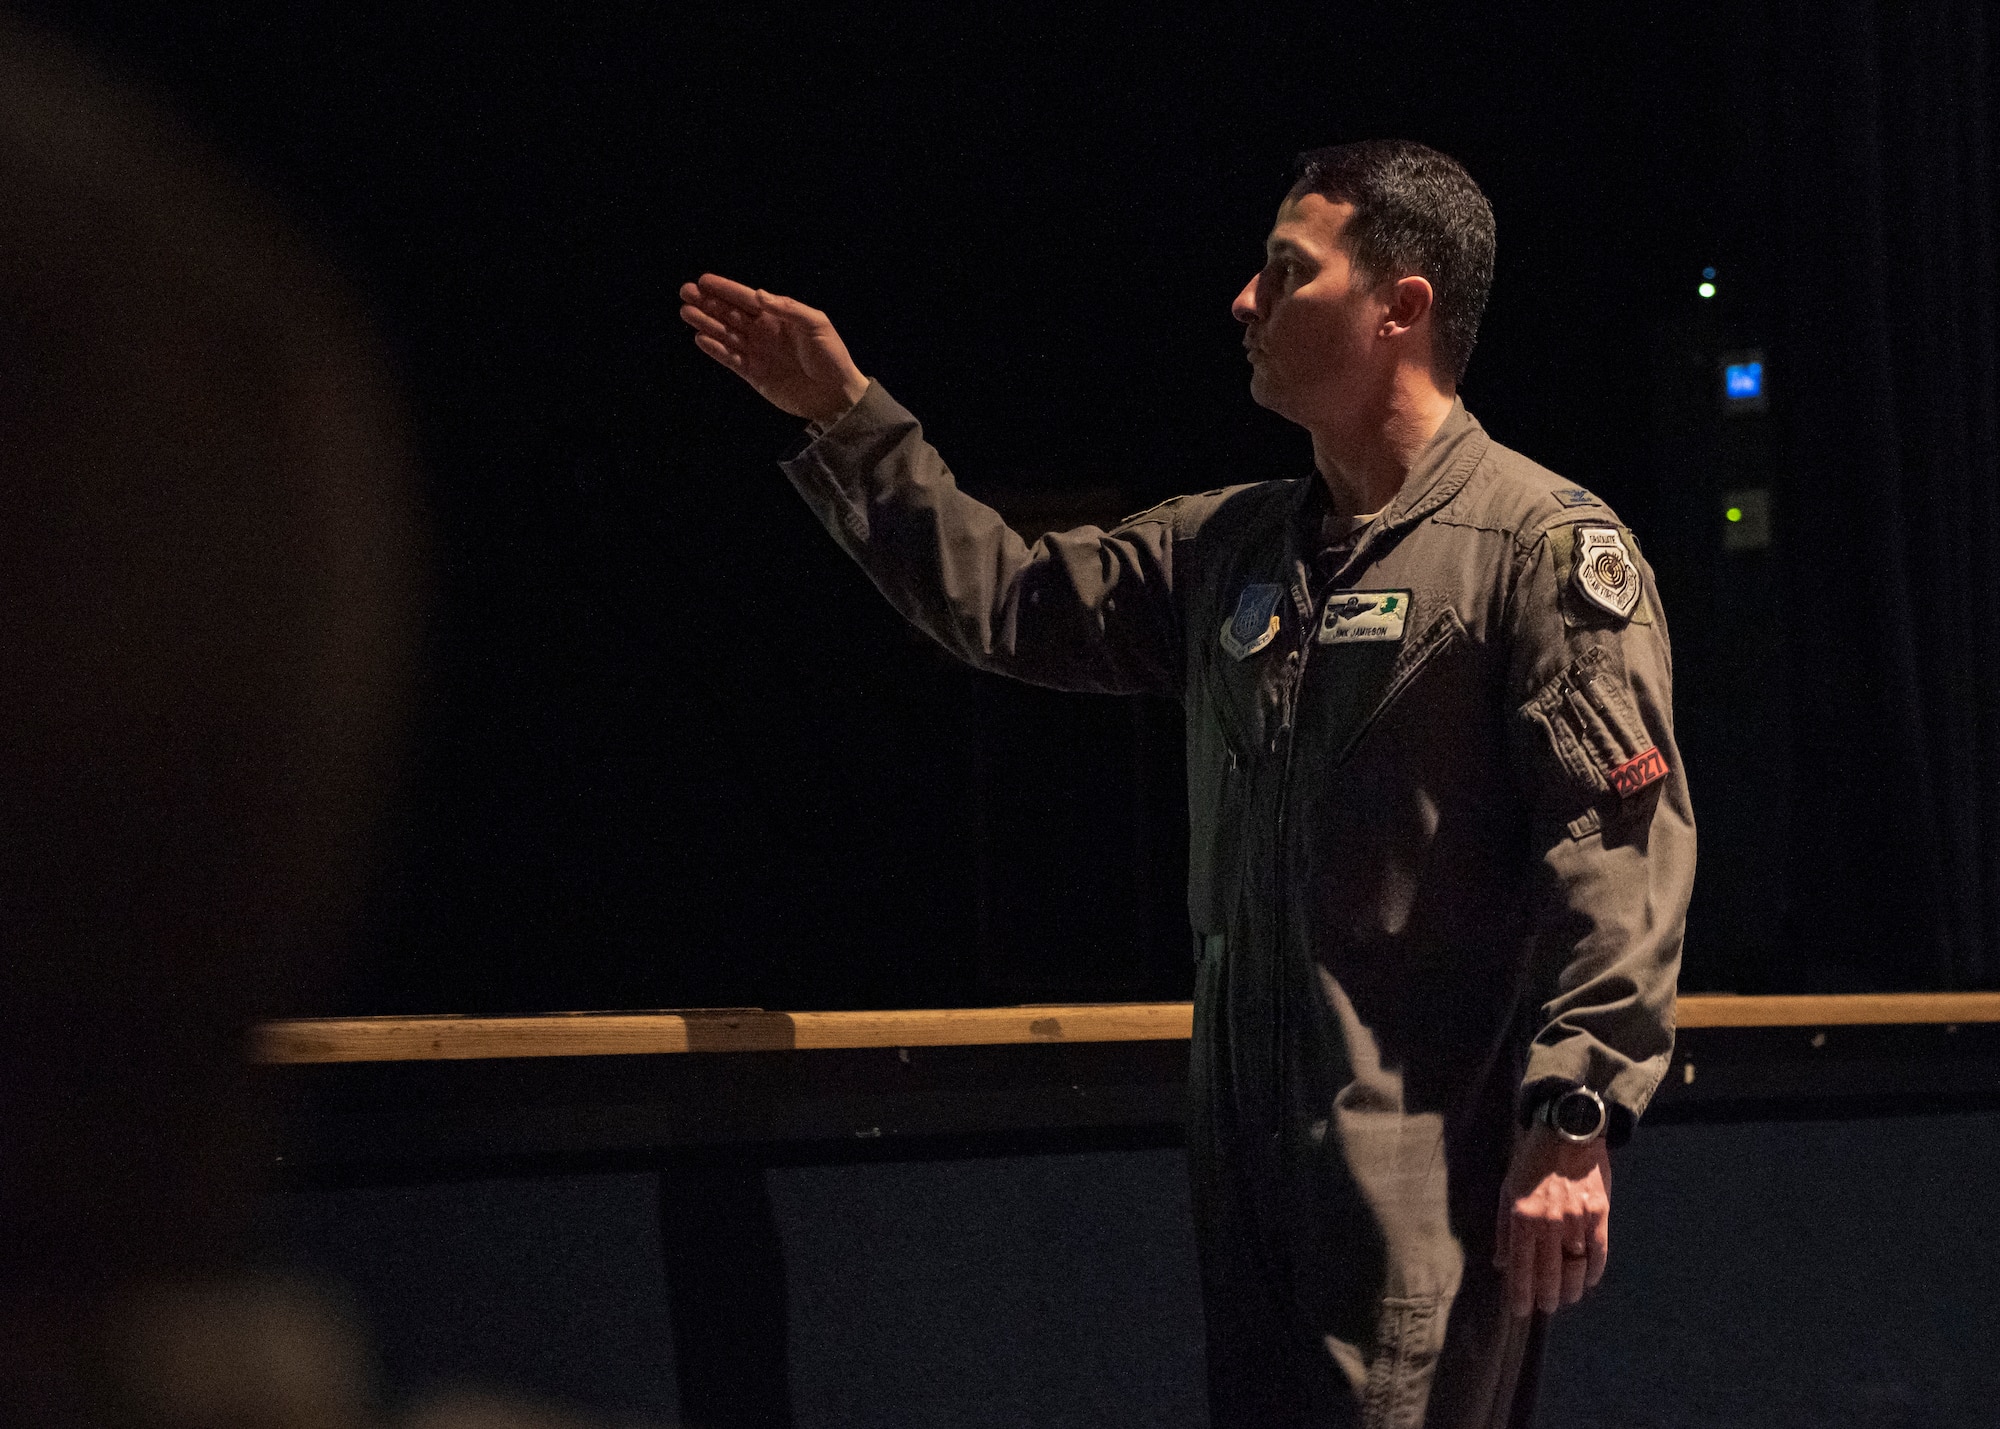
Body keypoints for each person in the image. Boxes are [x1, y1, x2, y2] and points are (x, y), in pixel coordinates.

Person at [680, 138, 1694, 1428]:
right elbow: (1010, 602)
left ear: (1403, 303)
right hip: (1252, 1178)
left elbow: (1616, 855)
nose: (1245, 300)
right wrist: (847, 421)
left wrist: (1576, 1110)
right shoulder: (1238, 546)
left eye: (1288, 270)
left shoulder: (1537, 551)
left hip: (1418, 1182)